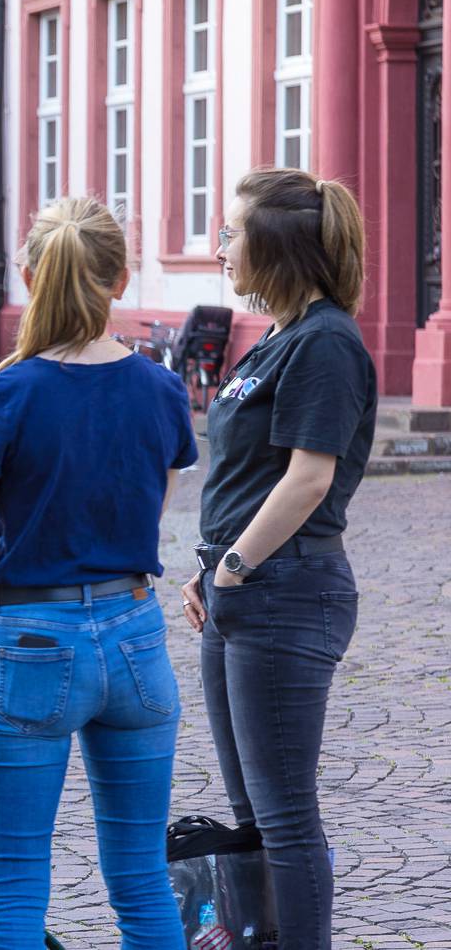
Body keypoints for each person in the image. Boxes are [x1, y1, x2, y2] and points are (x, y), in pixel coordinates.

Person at [0, 197, 197, 949]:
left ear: (27, 277)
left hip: (33, 638)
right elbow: (145, 511)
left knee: (17, 891)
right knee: (144, 880)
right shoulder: (161, 388)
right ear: (120, 279)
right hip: (135, 632)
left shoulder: (3, 394)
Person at [180, 168, 378, 950]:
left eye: (230, 233)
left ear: (278, 244)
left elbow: (309, 477)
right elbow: (248, 475)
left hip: (286, 589)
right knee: (258, 817)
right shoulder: (279, 334)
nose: (220, 247)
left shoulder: (326, 341)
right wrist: (212, 571)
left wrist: (233, 566)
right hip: (244, 592)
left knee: (287, 819)